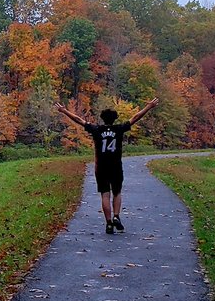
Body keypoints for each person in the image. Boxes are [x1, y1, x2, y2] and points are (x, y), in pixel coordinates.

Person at [54, 97, 160, 235]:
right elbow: (136, 117)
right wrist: (149, 107)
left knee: (105, 194)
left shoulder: (96, 129)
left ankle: (109, 223)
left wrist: (64, 111)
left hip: (101, 167)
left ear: (102, 118)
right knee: (117, 192)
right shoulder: (119, 129)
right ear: (114, 118)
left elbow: (79, 120)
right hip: (116, 166)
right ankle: (116, 216)